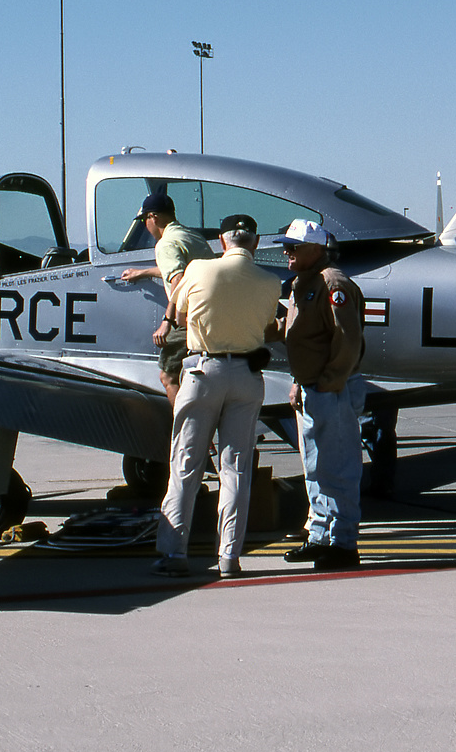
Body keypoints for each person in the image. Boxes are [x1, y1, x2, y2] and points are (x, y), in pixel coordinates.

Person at [153, 214, 281, 579]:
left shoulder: (197, 268)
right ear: (254, 243)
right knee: (236, 469)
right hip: (246, 376)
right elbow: (269, 328)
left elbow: (177, 315)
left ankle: (174, 553)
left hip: (202, 372)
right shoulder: (270, 281)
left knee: (186, 466)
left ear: (223, 242)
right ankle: (229, 557)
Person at [274, 219, 366, 570]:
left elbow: (347, 338)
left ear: (315, 250)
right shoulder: (302, 284)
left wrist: (331, 380)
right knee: (314, 467)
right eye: (287, 246)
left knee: (338, 467)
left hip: (332, 388)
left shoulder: (333, 283)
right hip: (312, 387)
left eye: (294, 247)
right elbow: (297, 336)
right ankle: (319, 536)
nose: (287, 253)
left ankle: (343, 543)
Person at [120, 191, 216, 409]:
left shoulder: (165, 244)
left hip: (189, 317)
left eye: (145, 219)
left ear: (154, 217)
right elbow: (180, 270)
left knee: (168, 377)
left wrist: (168, 321)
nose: (146, 225)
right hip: (212, 314)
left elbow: (179, 280)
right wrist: (142, 272)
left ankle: (193, 434)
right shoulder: (190, 237)